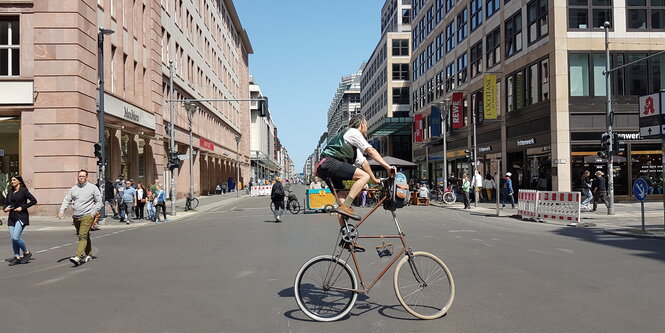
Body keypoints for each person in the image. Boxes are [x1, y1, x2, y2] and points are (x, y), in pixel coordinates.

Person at [315, 114, 395, 221]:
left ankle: (346, 234)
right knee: (363, 177)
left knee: (342, 200)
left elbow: (364, 163)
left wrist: (375, 179)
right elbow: (370, 151)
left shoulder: (351, 143)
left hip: (326, 168)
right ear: (361, 124)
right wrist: (387, 167)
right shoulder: (353, 132)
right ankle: (346, 206)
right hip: (330, 163)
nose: (367, 128)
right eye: (366, 125)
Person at [58, 169, 103, 266]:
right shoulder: (74, 188)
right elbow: (67, 199)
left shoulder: (93, 188)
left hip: (87, 215)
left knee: (82, 236)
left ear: (86, 177)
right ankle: (89, 253)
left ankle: (78, 257)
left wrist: (93, 213)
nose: (81, 178)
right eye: (79, 176)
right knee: (84, 235)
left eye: (83, 176)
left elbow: (99, 202)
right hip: (76, 217)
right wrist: (62, 210)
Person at [3, 175, 37, 266]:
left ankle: (26, 252)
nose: (12, 181)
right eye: (11, 180)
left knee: (16, 237)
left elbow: (34, 201)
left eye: (14, 180)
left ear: (19, 181)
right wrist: (5, 209)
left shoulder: (23, 191)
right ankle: (17, 257)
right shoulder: (10, 192)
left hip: (21, 216)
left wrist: (22, 207)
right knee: (13, 239)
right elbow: (5, 203)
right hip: (12, 217)